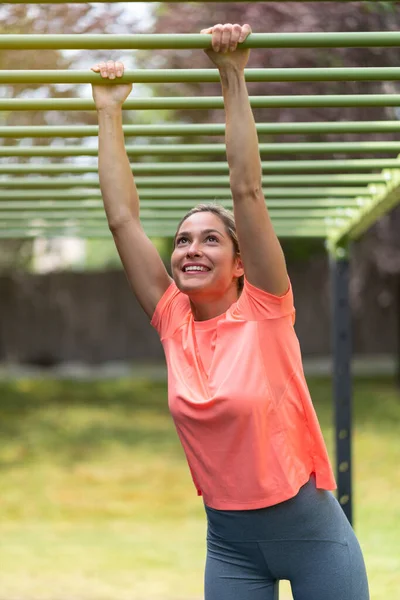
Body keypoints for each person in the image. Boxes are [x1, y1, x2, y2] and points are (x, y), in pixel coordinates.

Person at [91, 22, 369, 600]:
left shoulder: (267, 307)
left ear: (241, 263)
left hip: (312, 535)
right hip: (231, 544)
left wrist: (232, 72)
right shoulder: (172, 321)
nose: (192, 248)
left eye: (211, 239)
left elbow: (246, 191)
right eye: (184, 240)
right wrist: (109, 112)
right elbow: (122, 220)